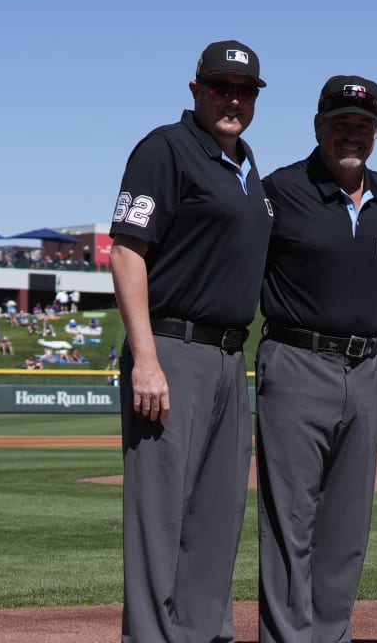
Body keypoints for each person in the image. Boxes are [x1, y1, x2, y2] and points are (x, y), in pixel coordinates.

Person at [109, 39, 273, 643]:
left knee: (217, 513)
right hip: (172, 349)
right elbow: (126, 251)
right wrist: (146, 359)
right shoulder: (166, 149)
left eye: (245, 91)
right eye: (221, 87)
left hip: (230, 356)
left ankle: (205, 633)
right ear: (196, 89)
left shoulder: (248, 165)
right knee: (160, 516)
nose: (233, 99)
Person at [255, 75, 377, 643]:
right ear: (318, 127)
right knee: (290, 524)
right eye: (340, 123)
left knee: (347, 527)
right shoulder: (280, 189)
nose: (352, 134)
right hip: (297, 362)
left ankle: (332, 635)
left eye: (363, 124)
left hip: (365, 372)